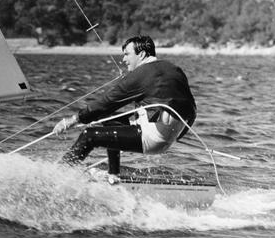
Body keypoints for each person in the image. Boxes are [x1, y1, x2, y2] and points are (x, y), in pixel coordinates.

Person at [53, 35, 196, 183]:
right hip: (167, 137)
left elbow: (106, 103)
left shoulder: (141, 74)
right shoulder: (174, 69)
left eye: (127, 54)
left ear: (141, 54)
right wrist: (178, 135)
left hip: (152, 138)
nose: (123, 59)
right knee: (111, 117)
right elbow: (192, 107)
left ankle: (58, 175)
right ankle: (113, 174)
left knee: (89, 135)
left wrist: (72, 120)